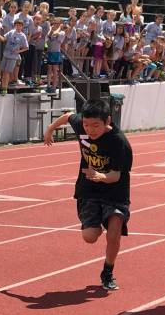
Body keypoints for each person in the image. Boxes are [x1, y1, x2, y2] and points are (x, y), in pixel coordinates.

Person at [44, 99, 133, 290]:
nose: (90, 130)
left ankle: (108, 272)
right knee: (90, 237)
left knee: (115, 228)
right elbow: (68, 116)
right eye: (86, 125)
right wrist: (50, 129)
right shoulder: (80, 125)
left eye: (95, 126)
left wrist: (100, 175)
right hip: (88, 190)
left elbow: (116, 176)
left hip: (115, 191)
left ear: (107, 121)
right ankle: (98, 224)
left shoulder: (119, 142)